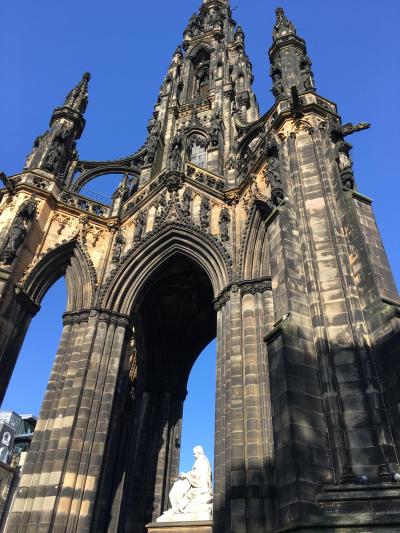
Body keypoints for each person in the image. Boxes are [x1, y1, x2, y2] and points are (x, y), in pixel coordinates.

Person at [157, 445, 212, 522]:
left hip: (200, 488)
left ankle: (178, 509)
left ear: (199, 453)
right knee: (178, 491)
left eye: (194, 453)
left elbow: (198, 475)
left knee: (180, 493)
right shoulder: (203, 460)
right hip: (199, 485)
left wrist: (186, 475)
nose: (193, 455)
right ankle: (177, 509)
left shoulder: (201, 460)